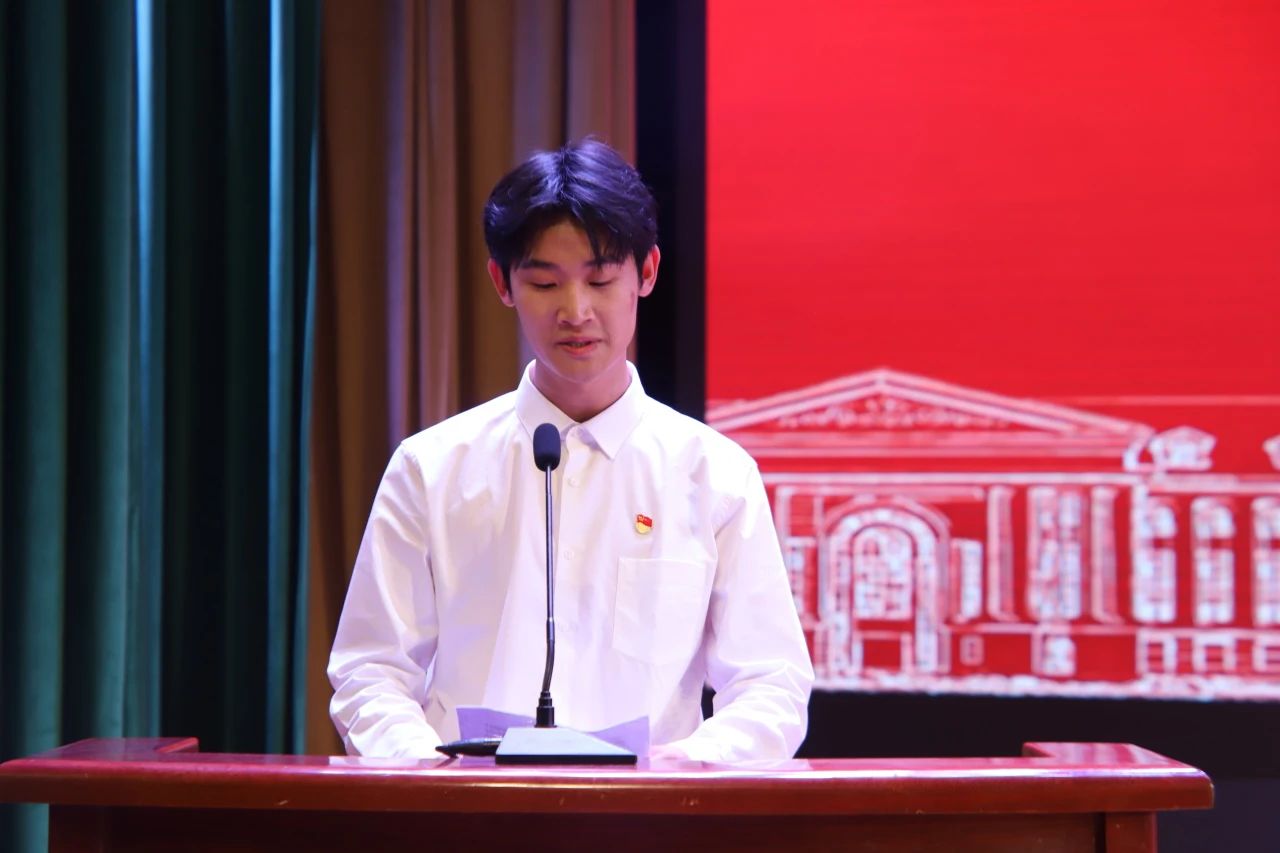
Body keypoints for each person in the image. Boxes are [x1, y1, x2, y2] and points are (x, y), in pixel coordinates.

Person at [327, 138, 813, 762]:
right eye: (544, 283)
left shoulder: (715, 475)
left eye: (600, 280)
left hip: (651, 812)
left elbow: (771, 687)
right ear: (502, 282)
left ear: (647, 273)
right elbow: (370, 671)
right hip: (468, 808)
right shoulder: (432, 468)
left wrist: (676, 770)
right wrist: (431, 771)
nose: (575, 311)